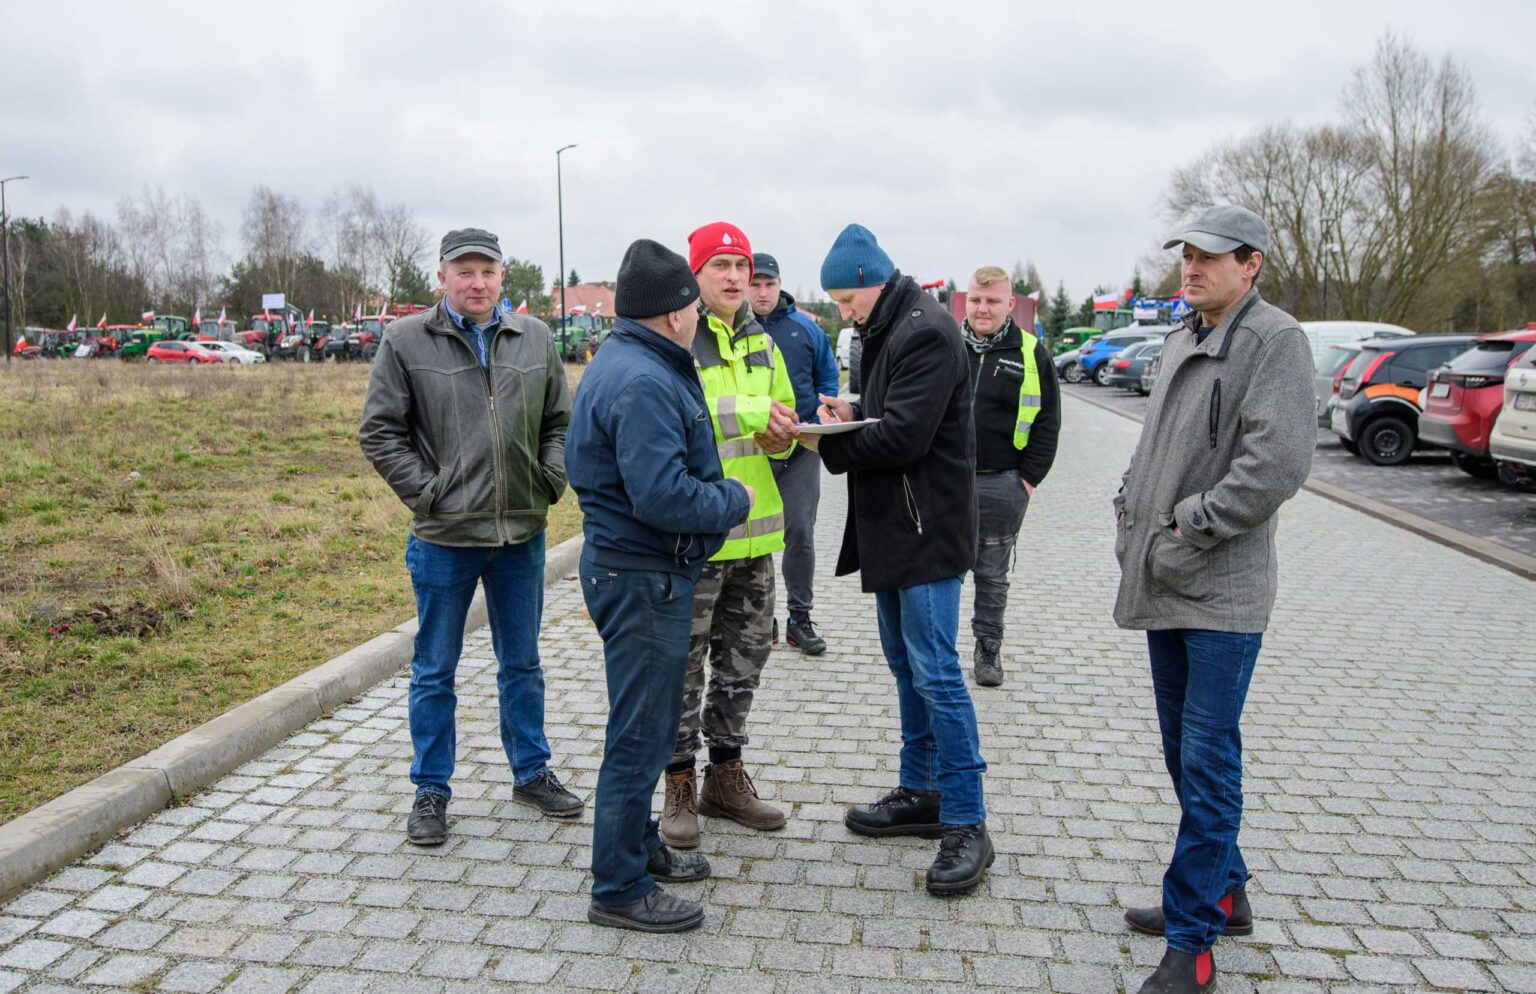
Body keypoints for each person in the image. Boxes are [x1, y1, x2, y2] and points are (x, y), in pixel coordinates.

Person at [1114, 205, 1315, 994]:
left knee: (1207, 760)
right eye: (1187, 256)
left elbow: (1276, 465)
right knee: (1181, 752)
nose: (1192, 268)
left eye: (1211, 257)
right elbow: (1150, 446)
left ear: (1252, 264)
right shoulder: (1181, 338)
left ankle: (1192, 942)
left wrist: (1188, 525)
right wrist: (1131, 508)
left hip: (1220, 592)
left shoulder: (1274, 342)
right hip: (1167, 576)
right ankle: (1224, 894)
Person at [359, 228, 583, 847]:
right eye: (464, 271)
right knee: (434, 668)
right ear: (442, 278)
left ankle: (532, 772)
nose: (476, 282)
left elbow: (558, 422)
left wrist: (549, 478)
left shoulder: (534, 338)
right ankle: (431, 789)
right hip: (443, 538)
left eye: (487, 271)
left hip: (521, 533)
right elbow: (380, 431)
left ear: (502, 278)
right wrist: (430, 493)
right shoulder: (405, 340)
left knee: (523, 662)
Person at [566, 238, 754, 933]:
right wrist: (731, 499)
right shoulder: (643, 380)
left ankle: (638, 849)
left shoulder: (628, 361)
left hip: (639, 570)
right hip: (644, 576)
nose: (701, 315)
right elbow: (662, 496)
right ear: (676, 312)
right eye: (695, 305)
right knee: (640, 736)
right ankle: (617, 888)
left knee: (639, 726)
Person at [799, 223, 992, 896]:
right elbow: (891, 410)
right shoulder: (886, 328)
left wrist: (826, 441)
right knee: (906, 665)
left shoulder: (927, 330)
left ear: (869, 284)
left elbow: (907, 434)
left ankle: (967, 818)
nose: (840, 313)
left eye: (844, 300)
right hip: (893, 526)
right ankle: (921, 791)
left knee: (936, 671)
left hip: (927, 528)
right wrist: (850, 408)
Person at [659, 222, 799, 850]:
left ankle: (726, 774)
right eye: (721, 265)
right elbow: (677, 416)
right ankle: (679, 782)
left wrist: (785, 434)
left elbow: (784, 411)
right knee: (683, 666)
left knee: (743, 664)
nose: (736, 277)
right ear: (696, 274)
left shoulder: (763, 341)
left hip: (756, 535)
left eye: (742, 265)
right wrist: (749, 414)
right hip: (698, 537)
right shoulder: (680, 338)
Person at [960, 266, 1061, 686]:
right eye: (976, 300)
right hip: (946, 482)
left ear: (1010, 305)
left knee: (991, 574)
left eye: (992, 301)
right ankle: (935, 652)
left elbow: (1049, 421)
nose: (983, 308)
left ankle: (988, 649)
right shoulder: (944, 345)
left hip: (1002, 483)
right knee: (938, 571)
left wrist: (1027, 479)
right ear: (966, 301)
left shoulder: (1031, 353)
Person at [748, 251, 840, 656]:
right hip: (750, 451)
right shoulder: (732, 333)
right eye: (756, 284)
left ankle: (798, 619)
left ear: (780, 285)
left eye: (769, 284)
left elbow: (828, 377)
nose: (762, 292)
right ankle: (759, 619)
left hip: (801, 448)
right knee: (755, 536)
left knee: (799, 531)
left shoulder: (806, 329)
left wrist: (825, 408)